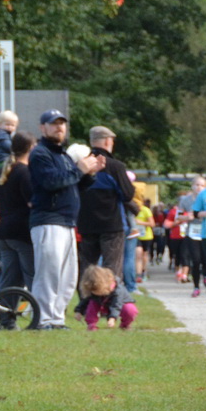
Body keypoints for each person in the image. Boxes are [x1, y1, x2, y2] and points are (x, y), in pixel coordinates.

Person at [27, 110, 103, 329]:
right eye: (53, 124)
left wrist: (89, 174)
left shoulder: (63, 156)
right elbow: (52, 182)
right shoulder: (40, 154)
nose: (59, 128)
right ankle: (43, 318)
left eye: (62, 124)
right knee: (48, 273)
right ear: (43, 128)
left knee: (68, 277)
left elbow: (74, 185)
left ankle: (57, 318)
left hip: (67, 222)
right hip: (48, 220)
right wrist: (79, 169)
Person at [76, 127, 136, 296]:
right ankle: (111, 303)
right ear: (108, 141)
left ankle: (85, 302)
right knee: (112, 268)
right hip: (112, 224)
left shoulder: (81, 164)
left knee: (88, 266)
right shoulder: (115, 166)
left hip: (86, 223)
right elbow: (128, 194)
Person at [0, 130, 36, 292]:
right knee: (32, 275)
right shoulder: (25, 172)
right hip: (22, 232)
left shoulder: (5, 169)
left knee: (9, 278)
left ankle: (4, 314)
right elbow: (32, 202)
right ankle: (40, 314)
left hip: (3, 232)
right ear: (30, 148)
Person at [76, 263, 139, 331]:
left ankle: (125, 325)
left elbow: (116, 304)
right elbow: (85, 300)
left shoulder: (117, 289)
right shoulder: (94, 291)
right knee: (92, 304)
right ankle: (91, 325)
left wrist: (112, 318)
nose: (95, 293)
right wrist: (79, 311)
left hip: (120, 304)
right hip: (102, 303)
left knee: (130, 310)